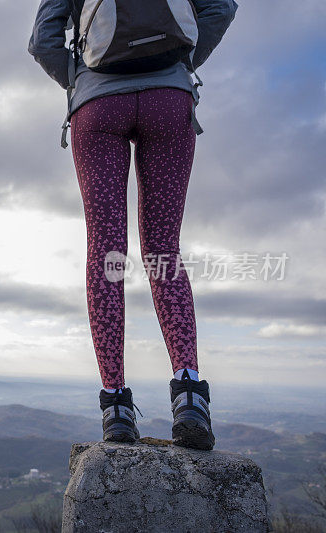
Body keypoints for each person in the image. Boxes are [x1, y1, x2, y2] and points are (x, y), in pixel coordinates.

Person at [28, 0, 238, 450]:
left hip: (97, 107)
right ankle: (188, 397)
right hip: (170, 100)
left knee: (107, 253)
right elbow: (219, 8)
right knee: (163, 250)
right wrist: (178, 64)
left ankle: (117, 411)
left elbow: (44, 41)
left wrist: (83, 78)